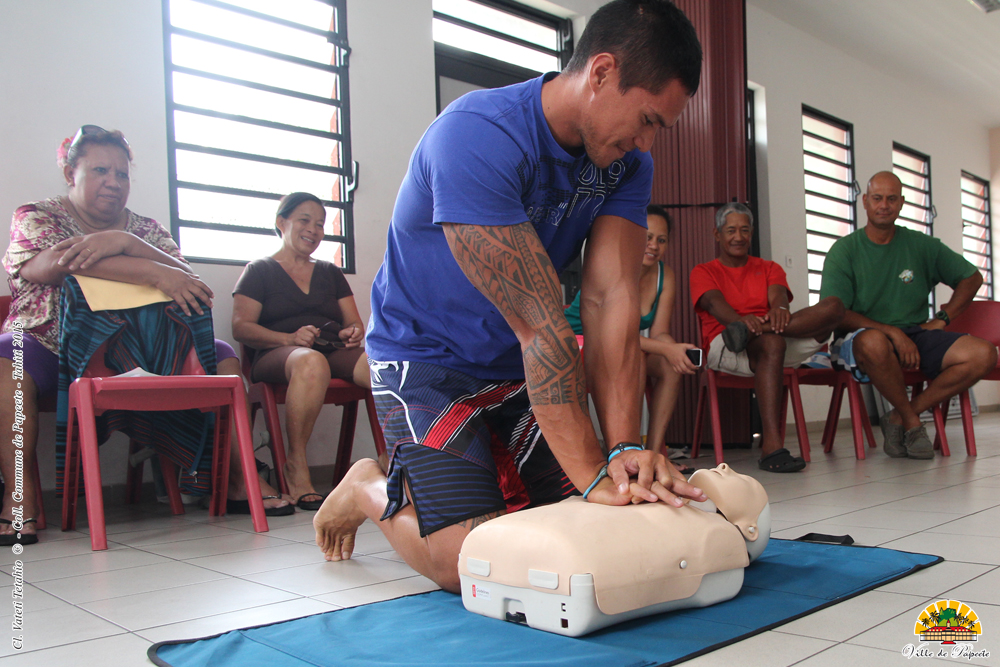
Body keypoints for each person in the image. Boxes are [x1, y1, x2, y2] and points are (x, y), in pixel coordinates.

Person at [314, 0, 709, 593]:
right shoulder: (477, 135)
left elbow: (610, 301)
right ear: (600, 73)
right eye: (648, 120)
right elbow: (540, 323)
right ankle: (368, 485)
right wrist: (595, 472)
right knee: (465, 563)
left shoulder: (626, 167)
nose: (647, 142)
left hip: (512, 366)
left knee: (593, 519)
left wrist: (623, 452)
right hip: (425, 360)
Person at [0, 126, 291, 546]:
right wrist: (152, 270)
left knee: (222, 354)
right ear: (70, 172)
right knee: (11, 359)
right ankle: (19, 495)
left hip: (143, 344)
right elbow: (51, 265)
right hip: (49, 340)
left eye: (122, 174)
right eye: (101, 170)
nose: (113, 182)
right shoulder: (37, 214)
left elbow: (192, 285)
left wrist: (126, 241)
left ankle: (235, 479)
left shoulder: (145, 228)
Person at [820, 171, 997, 459]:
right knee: (875, 341)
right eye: (877, 198)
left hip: (914, 333)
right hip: (856, 339)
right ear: (865, 202)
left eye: (892, 199)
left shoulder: (922, 245)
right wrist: (892, 332)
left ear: (901, 203)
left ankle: (899, 417)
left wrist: (943, 318)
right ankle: (913, 423)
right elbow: (837, 313)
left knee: (984, 354)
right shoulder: (845, 250)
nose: (884, 205)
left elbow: (971, 278)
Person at [232, 192, 369, 510]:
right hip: (277, 356)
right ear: (282, 223)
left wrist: (353, 332)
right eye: (304, 220)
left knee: (385, 366)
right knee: (311, 362)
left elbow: (354, 323)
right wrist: (288, 338)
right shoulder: (259, 270)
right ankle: (296, 464)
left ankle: (394, 457)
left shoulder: (330, 273)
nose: (314, 230)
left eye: (320, 224)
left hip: (331, 351)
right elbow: (242, 327)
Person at [691, 203, 845, 472]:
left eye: (744, 230)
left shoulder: (769, 267)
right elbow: (714, 304)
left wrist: (778, 312)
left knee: (834, 307)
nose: (738, 237)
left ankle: (759, 331)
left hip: (771, 337)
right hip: (726, 343)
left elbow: (779, 298)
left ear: (751, 234)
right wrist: (740, 322)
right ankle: (772, 446)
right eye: (730, 231)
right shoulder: (704, 271)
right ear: (717, 235)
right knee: (773, 342)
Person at [564, 205, 699, 458]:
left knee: (670, 366)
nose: (654, 246)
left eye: (662, 240)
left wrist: (675, 351)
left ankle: (655, 452)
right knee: (634, 356)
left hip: (621, 344)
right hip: (579, 342)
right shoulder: (615, 268)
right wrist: (667, 348)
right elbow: (612, 334)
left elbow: (659, 332)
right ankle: (626, 450)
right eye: (647, 237)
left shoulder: (665, 275)